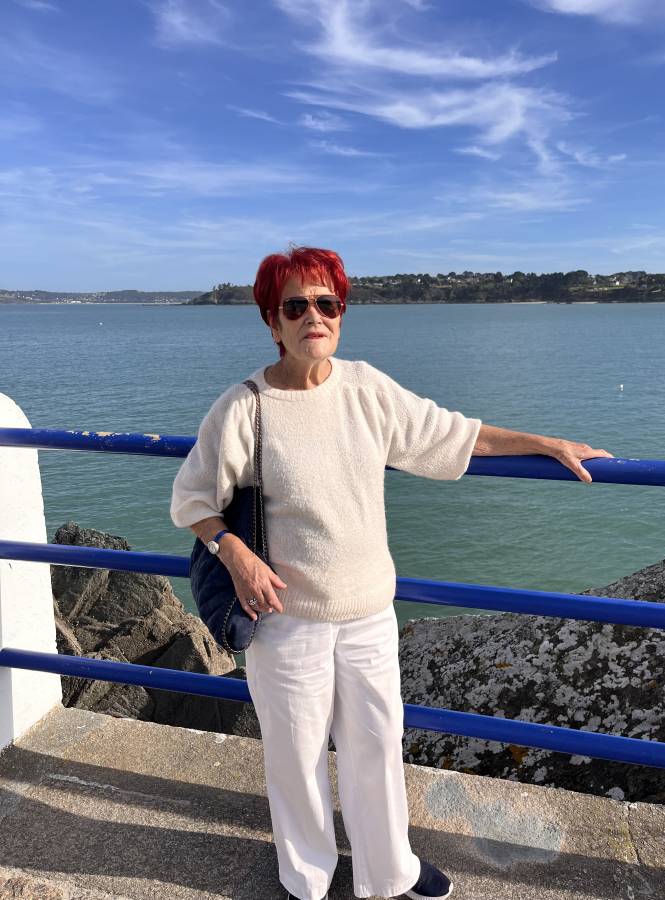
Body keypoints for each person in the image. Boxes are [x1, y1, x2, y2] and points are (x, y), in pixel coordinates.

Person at [170, 246, 612, 900]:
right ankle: (306, 879)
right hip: (286, 620)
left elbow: (456, 435)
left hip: (370, 614)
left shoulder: (366, 389)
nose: (314, 317)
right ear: (272, 321)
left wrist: (544, 443)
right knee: (294, 758)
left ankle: (388, 871)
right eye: (296, 305)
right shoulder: (244, 408)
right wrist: (235, 553)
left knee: (377, 747)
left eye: (327, 303)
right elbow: (191, 501)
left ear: (341, 315)